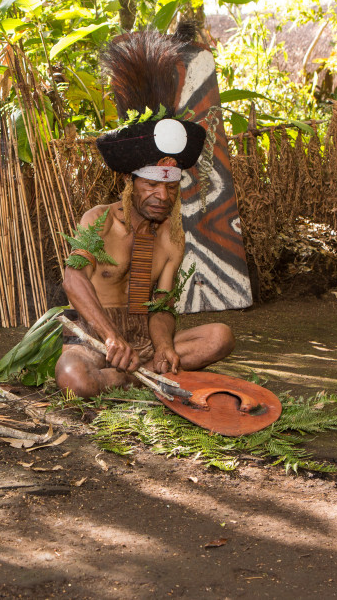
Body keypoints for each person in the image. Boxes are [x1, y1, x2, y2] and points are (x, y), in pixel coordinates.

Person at [55, 30, 235, 398]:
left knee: (220, 336)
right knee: (75, 379)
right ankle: (133, 375)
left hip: (143, 342)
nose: (162, 195)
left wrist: (165, 346)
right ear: (131, 183)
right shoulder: (99, 222)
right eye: (151, 185)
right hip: (92, 336)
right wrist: (109, 336)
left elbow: (162, 305)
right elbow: (73, 280)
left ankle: (132, 374)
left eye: (171, 186)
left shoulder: (171, 238)